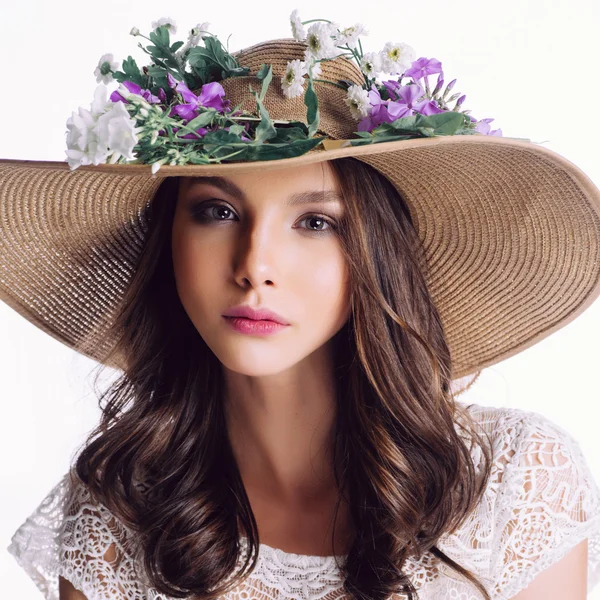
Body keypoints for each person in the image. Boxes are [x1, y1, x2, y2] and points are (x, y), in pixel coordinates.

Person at [2, 10, 600, 600]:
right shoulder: (121, 507)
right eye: (218, 211)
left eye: (315, 222)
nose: (255, 266)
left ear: (376, 256)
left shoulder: (514, 483)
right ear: (169, 240)